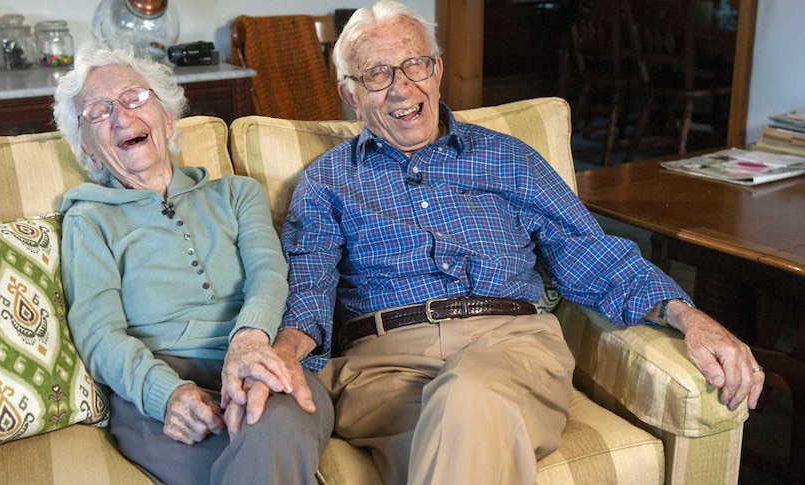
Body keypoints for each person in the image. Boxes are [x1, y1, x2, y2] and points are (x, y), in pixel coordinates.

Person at [275, 2, 765, 484]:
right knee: (458, 439)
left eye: (415, 64)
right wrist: (282, 354)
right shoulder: (327, 182)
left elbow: (586, 251)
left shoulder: (508, 158)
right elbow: (309, 290)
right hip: (384, 367)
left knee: (468, 399)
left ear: (437, 69)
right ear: (349, 93)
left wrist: (687, 315)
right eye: (377, 74)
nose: (403, 86)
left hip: (513, 345)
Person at [53, 40, 333, 485]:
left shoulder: (237, 194)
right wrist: (165, 393)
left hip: (258, 359)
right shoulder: (90, 220)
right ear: (87, 149)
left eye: (133, 98)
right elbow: (97, 331)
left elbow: (269, 272)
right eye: (98, 113)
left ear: (166, 119)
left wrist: (249, 340)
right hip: (159, 382)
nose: (121, 117)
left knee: (276, 422)